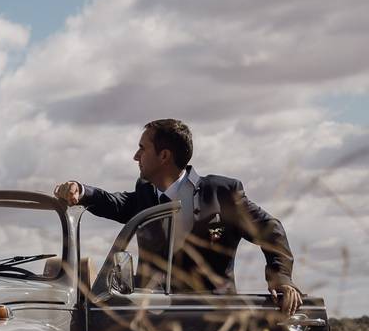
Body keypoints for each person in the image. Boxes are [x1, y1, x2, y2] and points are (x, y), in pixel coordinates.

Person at [54, 119, 302, 314]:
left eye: (142, 148)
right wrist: (81, 190)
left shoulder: (221, 193)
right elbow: (115, 203)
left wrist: (282, 279)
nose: (135, 156)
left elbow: (270, 229)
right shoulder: (145, 194)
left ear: (164, 156)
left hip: (212, 319)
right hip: (151, 322)